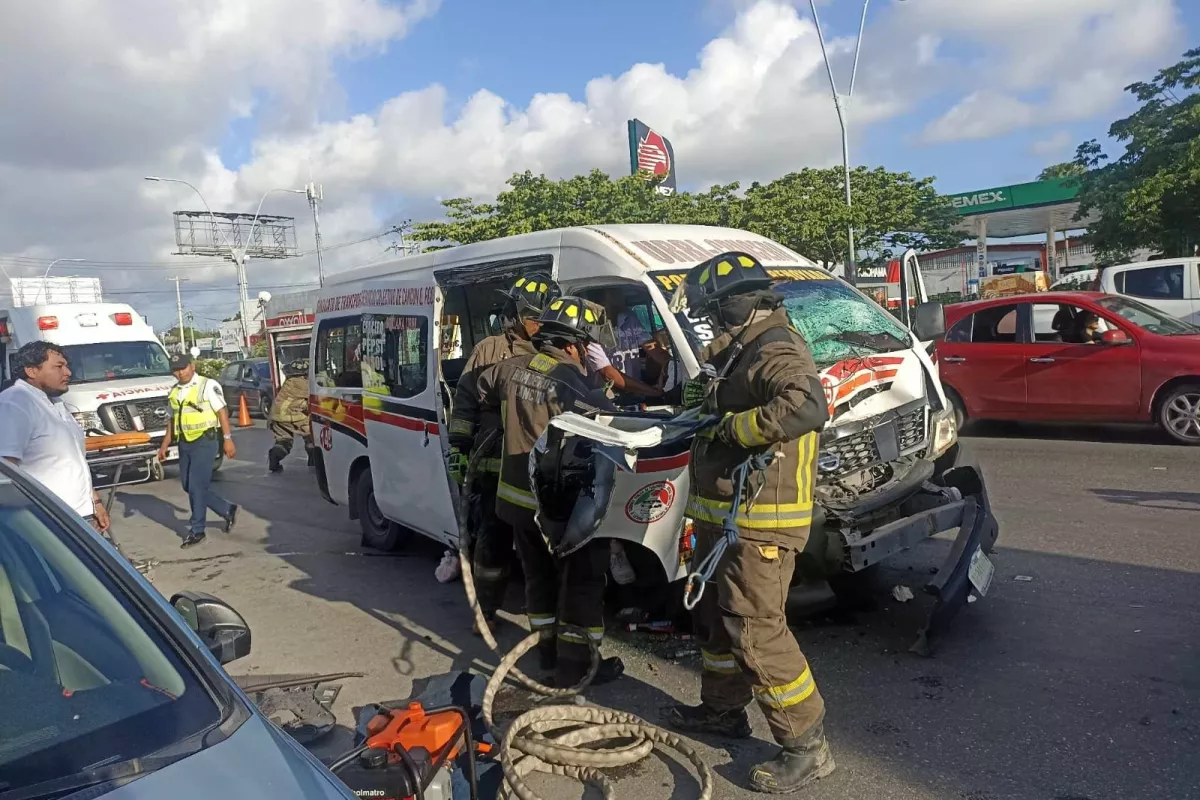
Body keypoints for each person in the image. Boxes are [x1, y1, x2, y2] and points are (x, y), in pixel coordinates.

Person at [662, 252, 834, 794]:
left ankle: (806, 745)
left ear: (733, 304)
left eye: (714, 310)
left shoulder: (774, 348)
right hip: (726, 517)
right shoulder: (740, 347)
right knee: (718, 621)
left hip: (762, 522)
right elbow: (721, 391)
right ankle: (721, 711)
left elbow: (806, 408)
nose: (710, 321)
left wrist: (734, 430)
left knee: (756, 628)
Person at [475, 296, 624, 687]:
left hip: (515, 502)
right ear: (574, 344)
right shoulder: (574, 382)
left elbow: (478, 392)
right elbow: (609, 427)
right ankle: (577, 668)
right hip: (558, 507)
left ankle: (545, 655)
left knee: (537, 579)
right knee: (582, 584)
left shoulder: (507, 369)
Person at [448, 273, 560, 632]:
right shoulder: (491, 349)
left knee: (540, 545)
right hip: (494, 457)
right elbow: (466, 397)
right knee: (492, 542)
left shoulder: (552, 350)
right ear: (516, 314)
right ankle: (486, 612)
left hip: (538, 462)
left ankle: (545, 613)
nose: (540, 325)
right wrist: (460, 444)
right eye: (534, 318)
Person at [0, 342, 110, 534]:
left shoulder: (55, 403)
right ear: (32, 370)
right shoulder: (16, 402)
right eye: (58, 367)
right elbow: (5, 472)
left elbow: (73, 460)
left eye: (66, 366)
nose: (67, 372)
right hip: (45, 521)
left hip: (78, 514)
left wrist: (95, 501)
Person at [157, 354, 238, 548]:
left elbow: (222, 412)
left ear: (192, 366)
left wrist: (227, 439)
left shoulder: (207, 385)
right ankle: (226, 508)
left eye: (183, 368)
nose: (180, 372)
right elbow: (172, 419)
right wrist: (165, 444)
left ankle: (197, 530)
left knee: (196, 486)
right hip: (185, 442)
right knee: (188, 485)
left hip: (205, 440)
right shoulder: (175, 391)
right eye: (176, 369)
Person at [268, 359, 315, 472]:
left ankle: (275, 458)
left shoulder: (289, 381)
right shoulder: (302, 384)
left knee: (283, 440)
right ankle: (314, 462)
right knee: (311, 437)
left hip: (276, 415)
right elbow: (316, 396)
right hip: (292, 414)